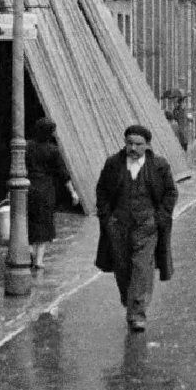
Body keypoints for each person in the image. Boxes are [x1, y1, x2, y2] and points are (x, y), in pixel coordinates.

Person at [94, 125, 177, 332]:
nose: (132, 147)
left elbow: (170, 193)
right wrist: (107, 218)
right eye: (129, 143)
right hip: (118, 226)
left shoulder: (159, 165)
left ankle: (137, 313)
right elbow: (101, 191)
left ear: (147, 145)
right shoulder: (113, 164)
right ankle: (129, 299)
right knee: (122, 268)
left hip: (147, 227)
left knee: (142, 268)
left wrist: (159, 219)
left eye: (138, 144)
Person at [27, 117, 79, 271]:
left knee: (29, 220)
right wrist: (73, 192)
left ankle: (29, 250)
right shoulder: (53, 150)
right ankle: (39, 260)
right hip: (45, 189)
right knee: (44, 222)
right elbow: (63, 174)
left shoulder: (27, 147)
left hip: (29, 187)